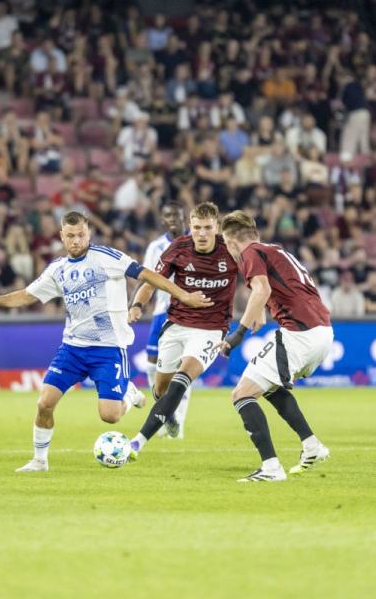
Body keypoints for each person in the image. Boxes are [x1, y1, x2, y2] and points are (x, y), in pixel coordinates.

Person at [0, 211, 213, 472]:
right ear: (62, 237)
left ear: (89, 233)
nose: (76, 240)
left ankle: (129, 393)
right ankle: (39, 461)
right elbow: (27, 295)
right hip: (72, 349)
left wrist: (183, 295)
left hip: (108, 349)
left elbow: (147, 274)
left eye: (81, 234)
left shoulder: (107, 257)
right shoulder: (58, 269)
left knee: (110, 416)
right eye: (71, 236)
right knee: (44, 403)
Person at [215, 210, 334, 482]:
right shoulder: (274, 250)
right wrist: (262, 310)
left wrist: (238, 333)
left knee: (242, 394)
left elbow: (262, 289)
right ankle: (312, 446)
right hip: (323, 332)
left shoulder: (249, 253)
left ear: (231, 242)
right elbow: (273, 288)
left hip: (299, 334)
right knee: (268, 387)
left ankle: (271, 468)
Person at [128, 202, 238, 456]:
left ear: (217, 228)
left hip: (211, 329)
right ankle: (169, 416)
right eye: (197, 227)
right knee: (160, 390)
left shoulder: (231, 250)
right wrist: (137, 305)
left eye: (207, 228)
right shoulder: (178, 248)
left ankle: (137, 442)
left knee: (184, 375)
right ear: (190, 226)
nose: (202, 233)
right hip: (176, 325)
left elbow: (259, 277)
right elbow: (151, 282)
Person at [139, 201, 191, 437]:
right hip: (162, 311)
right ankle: (166, 415)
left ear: (184, 217)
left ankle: (178, 423)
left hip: (187, 312)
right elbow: (147, 278)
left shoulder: (195, 241)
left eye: (176, 215)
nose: (172, 219)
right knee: (152, 364)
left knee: (183, 369)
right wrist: (137, 304)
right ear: (162, 219)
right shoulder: (156, 246)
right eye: (167, 215)